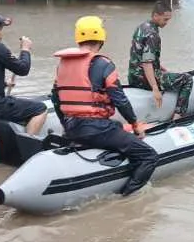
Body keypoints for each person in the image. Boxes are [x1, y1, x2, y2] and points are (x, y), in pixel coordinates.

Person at [51, 16, 158, 197]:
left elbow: (55, 99)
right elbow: (120, 99)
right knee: (149, 156)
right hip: (95, 129)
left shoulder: (63, 64)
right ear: (101, 38)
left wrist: (66, 126)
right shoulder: (103, 64)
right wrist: (135, 125)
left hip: (72, 126)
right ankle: (125, 198)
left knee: (115, 126)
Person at [128, 2, 193, 120]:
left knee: (163, 72)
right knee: (187, 79)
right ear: (156, 15)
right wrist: (155, 88)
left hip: (132, 77)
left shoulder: (142, 27)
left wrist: (159, 66)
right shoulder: (153, 35)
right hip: (143, 79)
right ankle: (178, 117)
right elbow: (147, 63)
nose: (167, 23)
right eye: (165, 19)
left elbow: (138, 55)